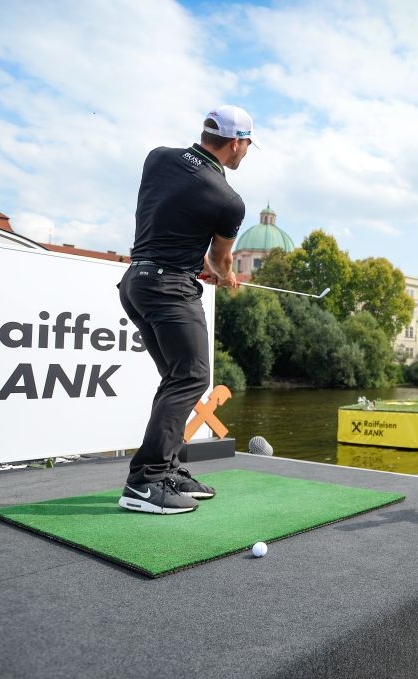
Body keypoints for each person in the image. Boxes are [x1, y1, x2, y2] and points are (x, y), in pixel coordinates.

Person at [117, 105, 257, 514]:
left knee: (177, 379)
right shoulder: (229, 199)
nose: (246, 151)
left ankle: (169, 470)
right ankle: (145, 481)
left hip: (136, 282)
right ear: (235, 143)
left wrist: (198, 264)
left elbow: (168, 215)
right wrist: (224, 276)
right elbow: (222, 258)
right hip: (169, 288)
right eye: (247, 144)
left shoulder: (157, 156)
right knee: (192, 377)